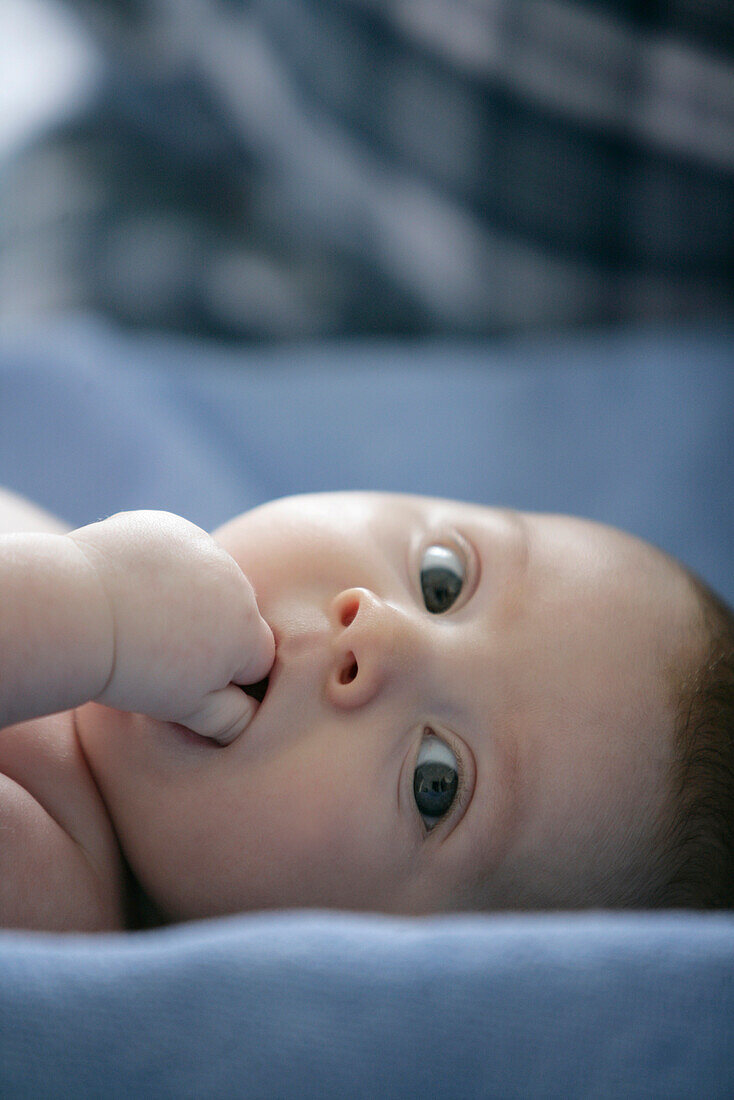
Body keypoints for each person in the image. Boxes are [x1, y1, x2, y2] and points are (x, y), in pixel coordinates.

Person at [0, 485, 731, 933]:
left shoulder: (48, 890)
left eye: (435, 781)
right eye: (441, 579)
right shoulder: (70, 551)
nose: (380, 634)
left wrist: (92, 611)